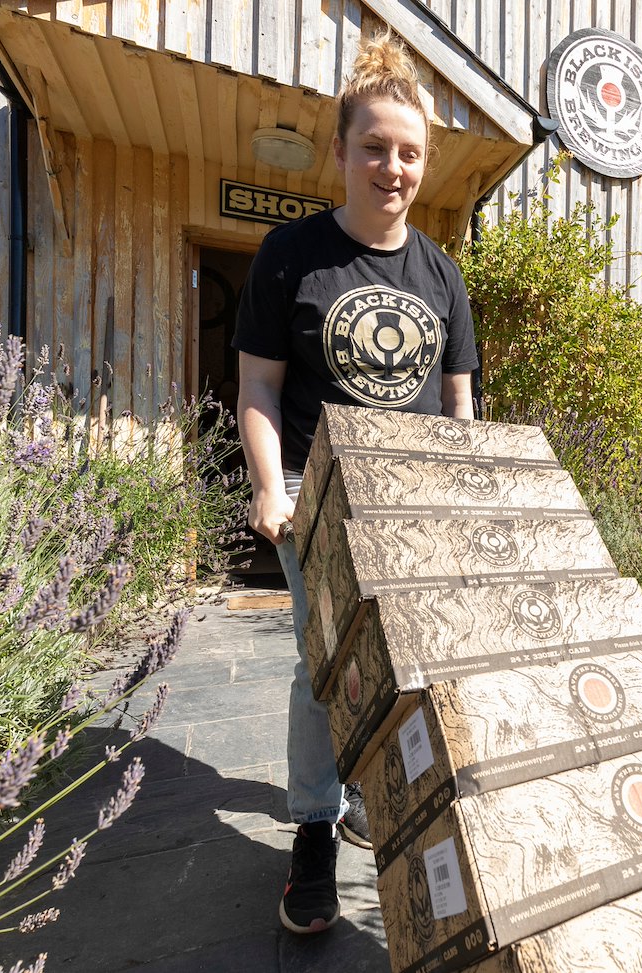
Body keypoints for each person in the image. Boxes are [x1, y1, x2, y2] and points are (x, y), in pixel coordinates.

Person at [232, 32, 477, 935]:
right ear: (339, 151)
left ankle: (376, 792)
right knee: (323, 667)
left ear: (425, 165)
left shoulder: (442, 275)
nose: (392, 166)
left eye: (409, 152)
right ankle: (312, 830)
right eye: (373, 146)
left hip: (410, 503)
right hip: (317, 493)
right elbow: (258, 386)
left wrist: (463, 503)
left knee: (407, 658)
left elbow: (460, 405)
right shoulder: (292, 257)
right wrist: (270, 487)